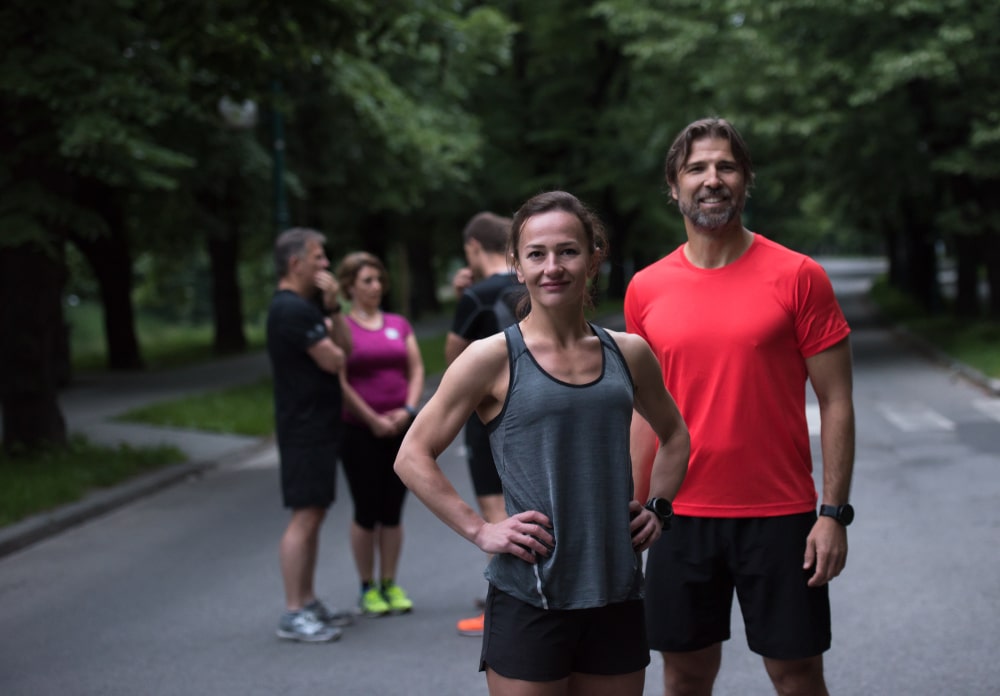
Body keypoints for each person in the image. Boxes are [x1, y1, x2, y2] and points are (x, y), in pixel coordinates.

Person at [395, 190, 690, 696]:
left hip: (616, 592)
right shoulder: (491, 358)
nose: (553, 267)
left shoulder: (629, 353)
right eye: (537, 254)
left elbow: (676, 435)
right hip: (530, 595)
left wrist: (659, 508)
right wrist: (481, 530)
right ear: (517, 265)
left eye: (568, 251)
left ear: (594, 257)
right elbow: (411, 455)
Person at [625, 117, 856, 696]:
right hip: (676, 514)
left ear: (746, 180)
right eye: (696, 168)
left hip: (780, 516)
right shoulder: (645, 289)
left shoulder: (800, 277)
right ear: (674, 187)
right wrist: (632, 509)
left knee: (797, 674)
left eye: (726, 166)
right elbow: (641, 413)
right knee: (685, 673)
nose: (712, 179)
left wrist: (833, 514)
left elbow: (836, 401)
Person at [266, 227, 355, 643]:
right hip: (303, 429)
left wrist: (334, 306)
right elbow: (335, 358)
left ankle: (307, 600)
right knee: (305, 514)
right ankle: (293, 611)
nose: (325, 266)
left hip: (316, 425)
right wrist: (329, 321)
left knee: (314, 512)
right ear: (295, 263)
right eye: (318, 258)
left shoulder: (308, 307)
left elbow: (345, 348)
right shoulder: (290, 310)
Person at [445, 211, 525, 637]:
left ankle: (506, 606)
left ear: (474, 247)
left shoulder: (477, 296)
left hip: (488, 411)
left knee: (495, 512)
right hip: (535, 403)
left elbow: (453, 360)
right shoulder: (532, 281)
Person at [334, 251, 425, 617]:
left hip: (399, 428)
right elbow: (339, 379)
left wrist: (407, 410)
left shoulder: (398, 324)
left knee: (393, 509)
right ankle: (366, 586)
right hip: (358, 429)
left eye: (378, 280)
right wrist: (371, 418)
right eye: (366, 281)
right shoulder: (340, 326)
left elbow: (416, 368)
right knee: (366, 508)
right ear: (349, 286)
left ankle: (390, 581)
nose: (375, 287)